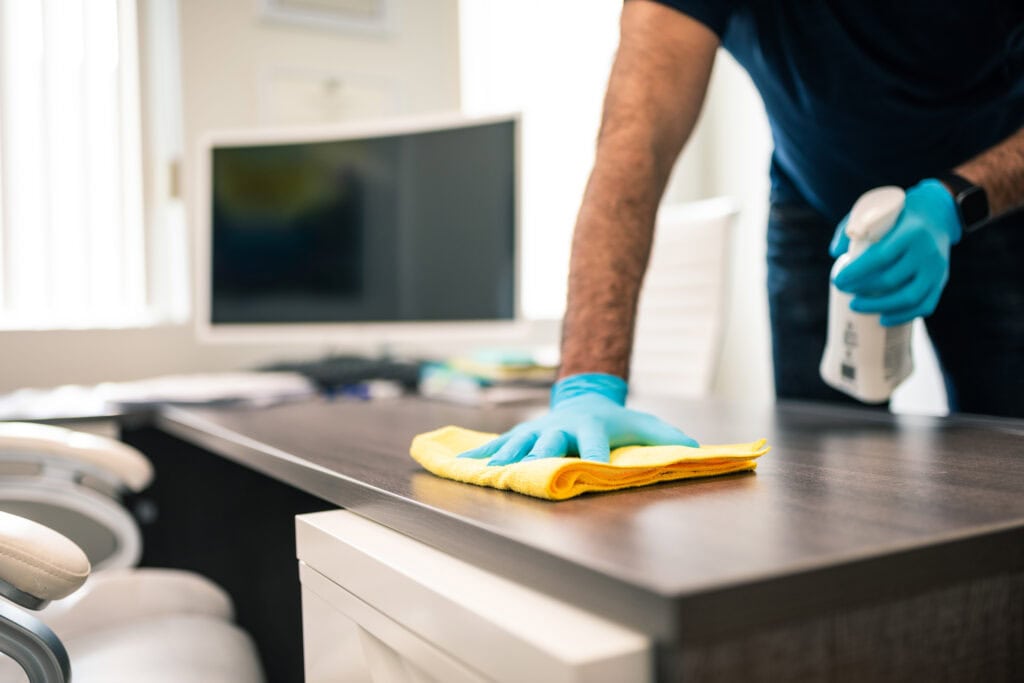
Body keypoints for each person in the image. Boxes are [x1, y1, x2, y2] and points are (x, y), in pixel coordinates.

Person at [461, 0, 1024, 466]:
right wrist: (587, 382)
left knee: (1005, 452)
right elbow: (636, 143)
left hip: (992, 194)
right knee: (824, 472)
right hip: (814, 198)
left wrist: (957, 201)